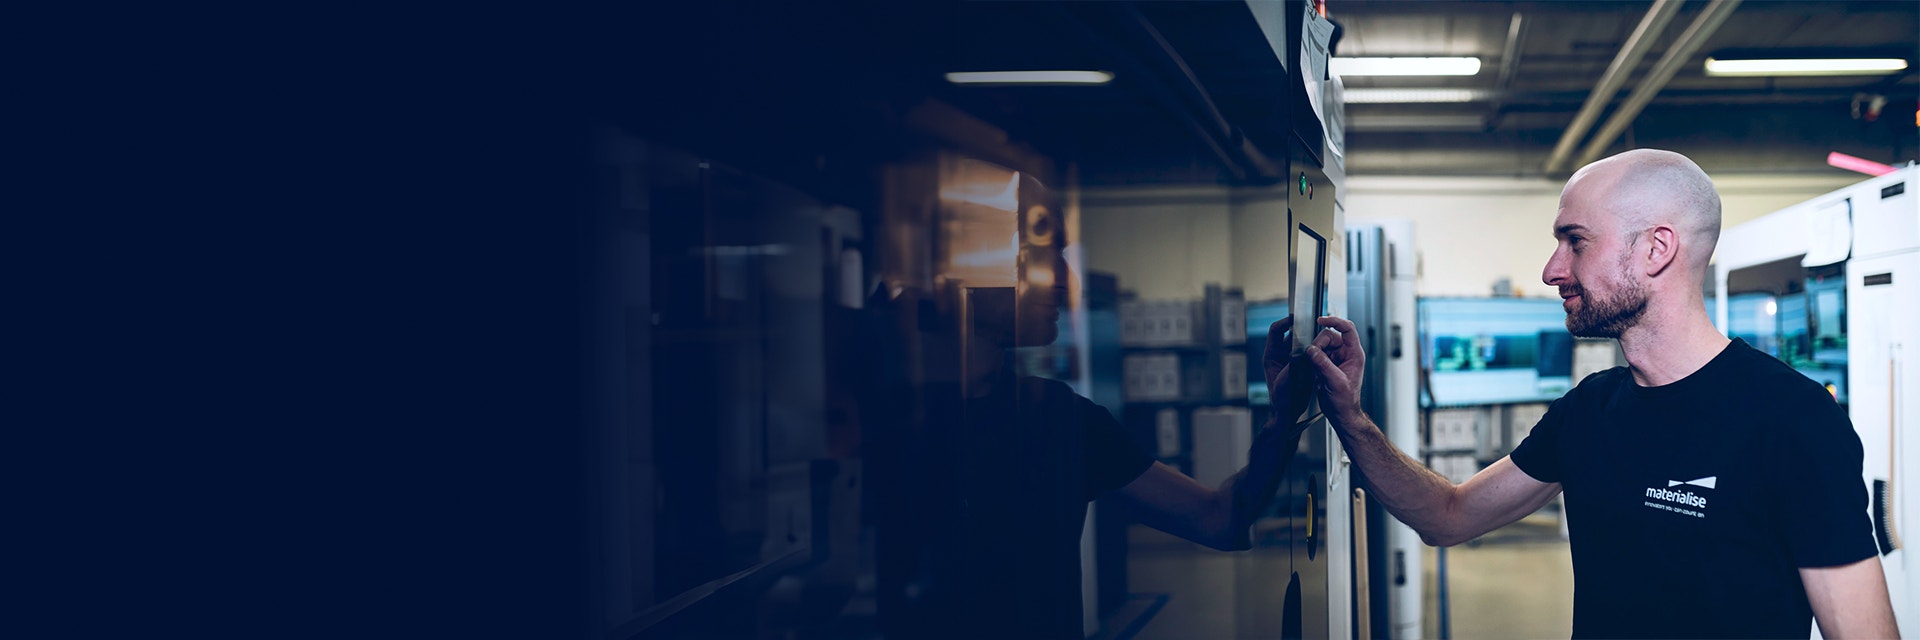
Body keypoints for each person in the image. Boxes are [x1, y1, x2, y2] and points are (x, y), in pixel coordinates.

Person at [1302, 148, 1899, 639]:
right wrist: (1351, 419)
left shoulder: (1793, 420)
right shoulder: (1589, 410)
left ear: (1656, 250)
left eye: (1575, 241)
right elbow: (1448, 515)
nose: (1551, 269)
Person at [867, 184, 1313, 639]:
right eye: (1038, 253)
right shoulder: (875, 420)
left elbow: (1220, 519)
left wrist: (1283, 421)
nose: (1068, 281)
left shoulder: (1062, 420)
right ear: (964, 263)